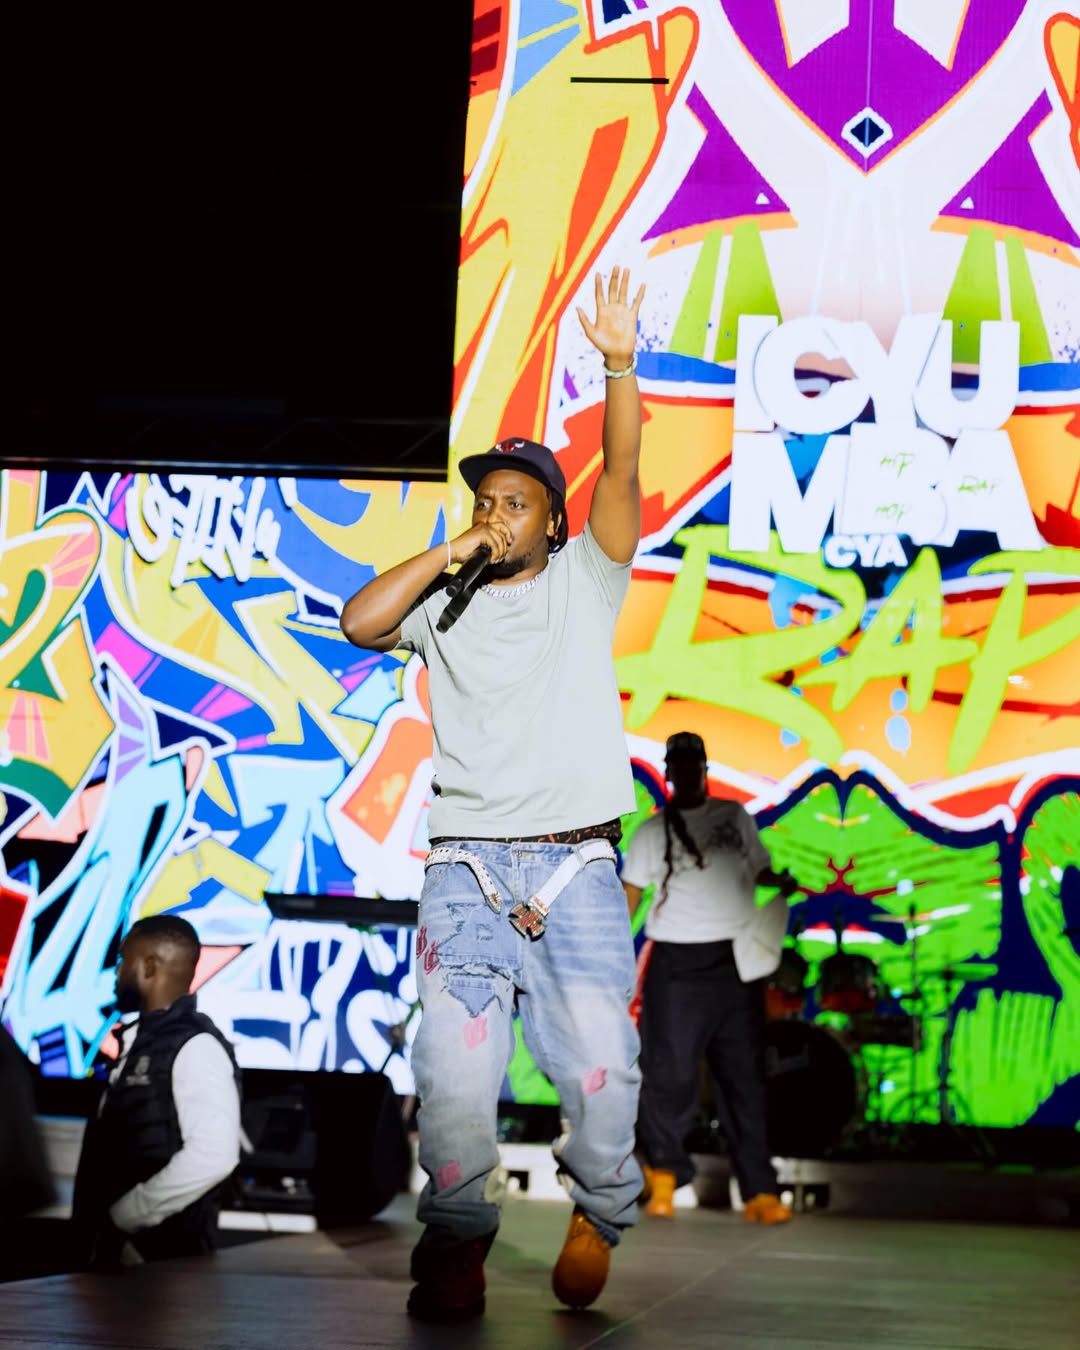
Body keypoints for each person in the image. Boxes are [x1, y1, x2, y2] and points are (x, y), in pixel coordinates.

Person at [341, 266, 646, 1321]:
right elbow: (361, 622)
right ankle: (459, 1240)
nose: (497, 515)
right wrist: (453, 549)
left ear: (554, 523)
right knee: (455, 1071)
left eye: (517, 504)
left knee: (602, 1064)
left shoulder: (585, 577)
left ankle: (597, 1210)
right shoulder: (446, 600)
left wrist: (618, 364)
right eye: (486, 502)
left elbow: (622, 472)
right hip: (466, 868)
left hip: (577, 865)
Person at [621, 731, 798, 1225]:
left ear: (705, 767)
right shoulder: (652, 831)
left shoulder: (733, 816)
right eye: (677, 764)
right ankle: (664, 1175)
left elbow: (759, 869)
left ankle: (759, 1190)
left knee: (744, 1078)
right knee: (669, 1075)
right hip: (675, 962)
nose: (685, 771)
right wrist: (611, 954)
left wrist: (779, 882)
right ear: (668, 772)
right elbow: (631, 894)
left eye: (693, 763)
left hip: (736, 959)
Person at [72, 914, 242, 1268]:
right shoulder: (138, 1043)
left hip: (165, 1267)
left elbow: (215, 1154)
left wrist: (124, 1217)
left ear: (149, 966)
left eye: (123, 960)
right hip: (120, 1262)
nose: (116, 972)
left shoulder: (195, 1046)